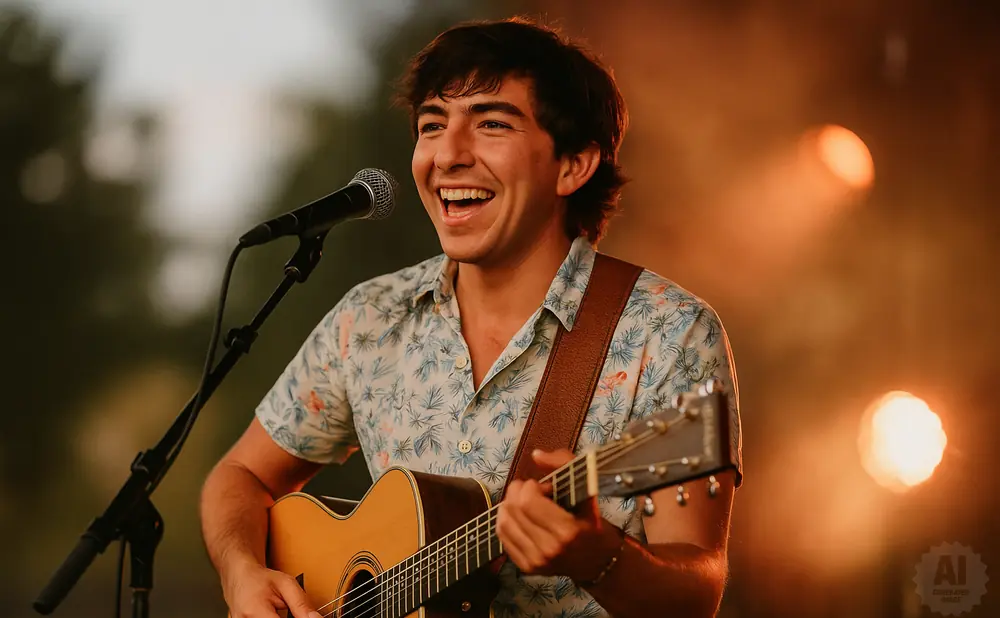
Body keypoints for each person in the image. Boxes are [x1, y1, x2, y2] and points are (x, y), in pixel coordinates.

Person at [199, 16, 742, 618]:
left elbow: (697, 591)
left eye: (490, 124)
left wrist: (595, 556)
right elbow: (239, 476)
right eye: (432, 125)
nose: (449, 155)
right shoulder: (370, 318)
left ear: (573, 165)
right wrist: (242, 572)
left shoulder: (668, 335)